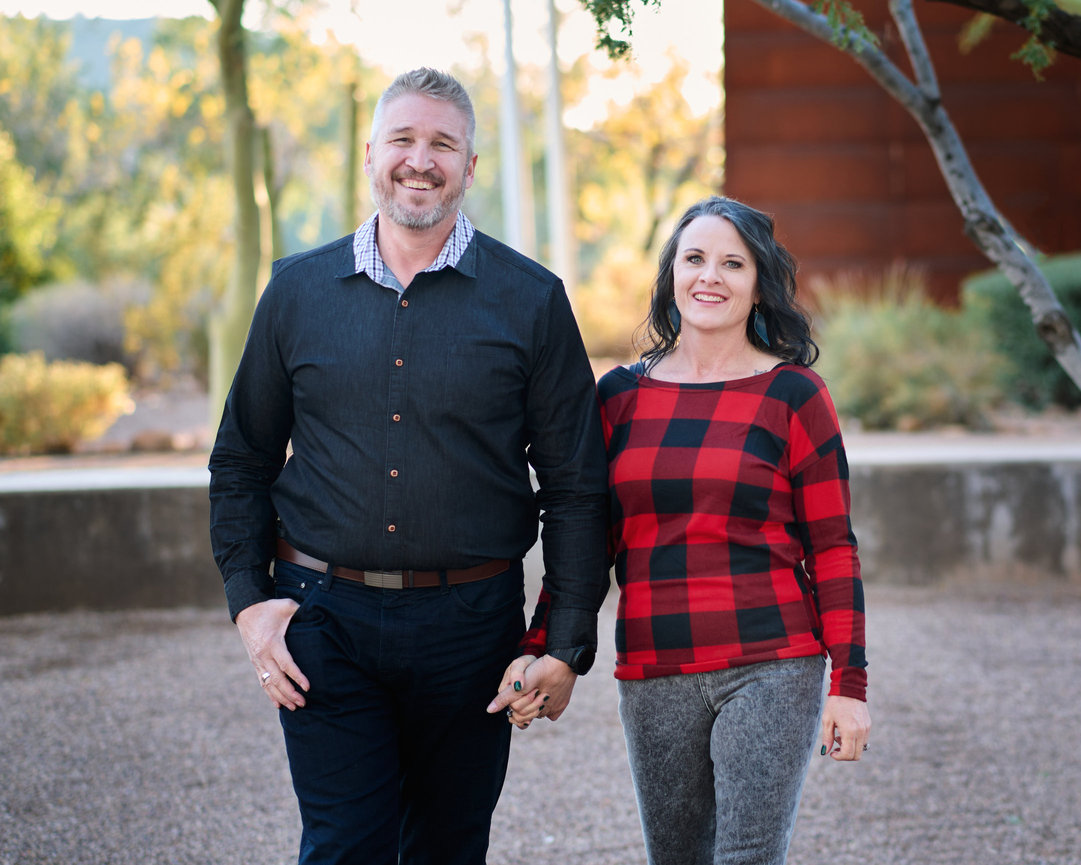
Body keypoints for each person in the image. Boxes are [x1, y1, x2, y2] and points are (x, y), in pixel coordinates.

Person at [208, 67, 609, 865]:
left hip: (472, 630)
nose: (419, 160)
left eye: (441, 144)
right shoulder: (296, 290)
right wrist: (251, 603)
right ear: (369, 154)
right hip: (323, 620)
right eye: (402, 139)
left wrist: (564, 645)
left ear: (468, 166)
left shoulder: (530, 301)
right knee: (344, 847)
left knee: (447, 849)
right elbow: (243, 458)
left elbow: (574, 488)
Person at [596, 196, 871, 865]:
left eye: (731, 263)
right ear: (669, 277)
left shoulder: (792, 395)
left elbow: (832, 547)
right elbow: (587, 539)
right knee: (677, 857)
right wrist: (547, 642)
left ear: (757, 283)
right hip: (654, 662)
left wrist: (849, 684)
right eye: (693, 259)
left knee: (747, 856)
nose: (708, 276)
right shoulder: (619, 397)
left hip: (771, 660)